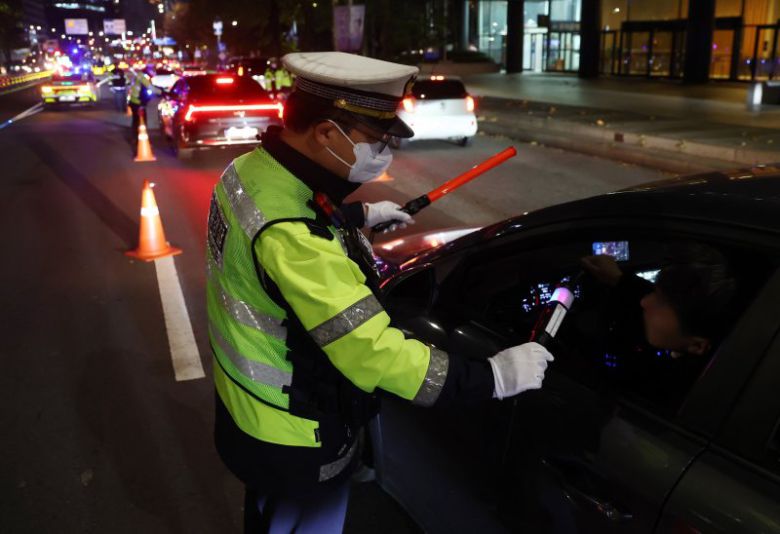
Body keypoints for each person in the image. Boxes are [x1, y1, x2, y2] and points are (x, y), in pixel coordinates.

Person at [206, 51, 554, 534]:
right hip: (293, 430)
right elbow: (373, 352)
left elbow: (280, 227)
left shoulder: (248, 172)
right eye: (376, 140)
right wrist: (490, 378)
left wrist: (357, 218)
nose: (386, 153)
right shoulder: (294, 239)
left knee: (270, 517)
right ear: (326, 132)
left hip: (247, 401)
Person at [581, 244, 737, 411]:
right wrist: (618, 278)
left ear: (696, 345)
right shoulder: (695, 329)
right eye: (655, 292)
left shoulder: (672, 400)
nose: (645, 302)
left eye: (661, 304)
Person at [127, 69, 155, 146]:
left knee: (135, 120)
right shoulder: (142, 80)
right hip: (139, 103)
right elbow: (149, 90)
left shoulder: (136, 78)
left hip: (133, 103)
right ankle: (139, 139)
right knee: (142, 121)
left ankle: (134, 137)